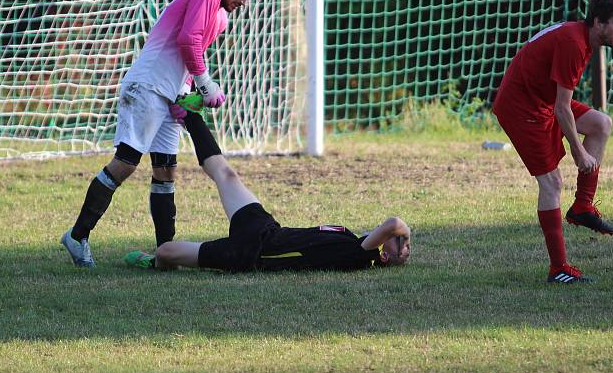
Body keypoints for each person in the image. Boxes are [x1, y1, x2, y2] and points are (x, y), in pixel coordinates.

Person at [61, 0, 262, 267]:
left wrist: (190, 91)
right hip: (148, 86)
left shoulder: (220, 16)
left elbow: (189, 51)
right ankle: (78, 235)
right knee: (126, 163)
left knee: (165, 171)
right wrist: (206, 83)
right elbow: (187, 39)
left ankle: (166, 253)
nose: (244, 2)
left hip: (168, 93)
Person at [124, 110, 411, 272]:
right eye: (404, 244)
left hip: (251, 253)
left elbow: (394, 223)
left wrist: (404, 233)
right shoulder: (353, 240)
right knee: (227, 174)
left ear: (384, 255)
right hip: (267, 229)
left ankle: (154, 263)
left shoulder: (358, 256)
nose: (403, 244)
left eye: (402, 246)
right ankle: (188, 113)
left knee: (166, 251)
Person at [492, 0, 613, 284]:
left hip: (541, 101)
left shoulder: (583, 40)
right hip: (521, 107)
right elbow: (562, 108)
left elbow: (559, 104)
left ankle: (582, 207)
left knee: (601, 124)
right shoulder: (573, 43)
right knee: (552, 183)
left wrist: (580, 148)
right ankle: (558, 269)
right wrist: (579, 153)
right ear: (598, 22)